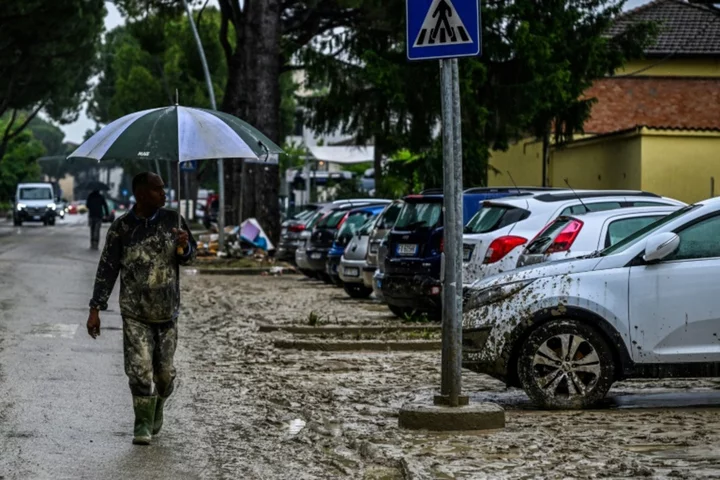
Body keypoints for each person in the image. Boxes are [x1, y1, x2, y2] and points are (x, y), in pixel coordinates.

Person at [86, 172, 196, 445]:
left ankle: (159, 403)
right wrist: (95, 308)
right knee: (138, 371)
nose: (164, 193)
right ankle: (142, 423)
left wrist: (184, 246)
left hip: (167, 312)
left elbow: (189, 257)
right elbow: (107, 269)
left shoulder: (174, 221)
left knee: (164, 375)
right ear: (142, 194)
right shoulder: (123, 228)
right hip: (135, 313)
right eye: (158, 189)